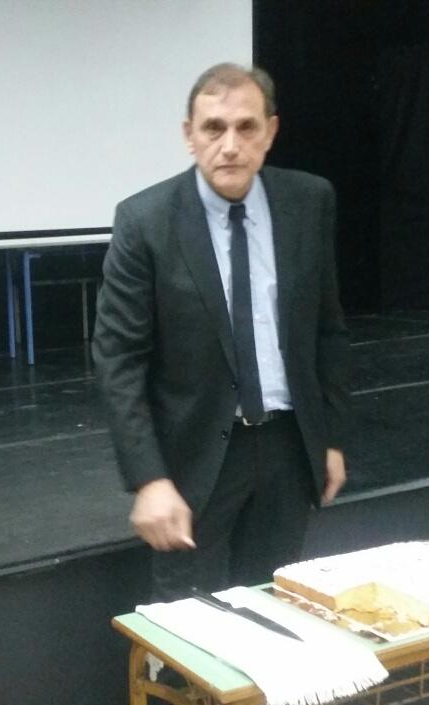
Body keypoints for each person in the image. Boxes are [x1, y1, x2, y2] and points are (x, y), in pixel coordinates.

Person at [93, 63, 352, 604]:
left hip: (287, 449)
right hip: (194, 460)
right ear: (189, 134)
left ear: (270, 132)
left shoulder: (309, 201)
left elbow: (327, 328)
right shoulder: (146, 220)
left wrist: (329, 438)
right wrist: (149, 479)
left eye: (246, 127)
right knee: (192, 625)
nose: (230, 146)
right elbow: (119, 360)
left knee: (277, 611)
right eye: (213, 128)